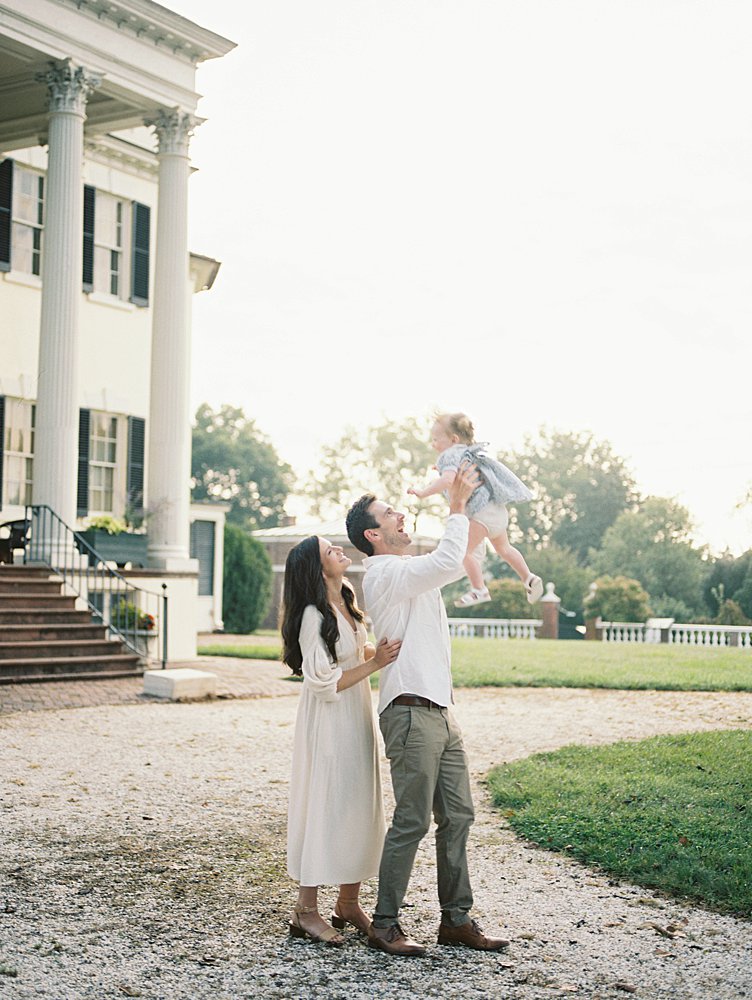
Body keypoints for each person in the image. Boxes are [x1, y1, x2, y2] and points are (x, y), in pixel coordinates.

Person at [345, 463, 510, 957]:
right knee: (413, 821)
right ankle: (385, 924)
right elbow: (445, 561)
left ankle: (456, 921)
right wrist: (456, 508)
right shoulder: (387, 573)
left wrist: (482, 511)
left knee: (459, 815)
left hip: (440, 711)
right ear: (373, 534)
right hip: (411, 712)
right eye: (389, 513)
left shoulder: (412, 574)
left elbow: (457, 558)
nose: (401, 514)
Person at [281, 535, 402, 946]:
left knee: (357, 801)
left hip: (355, 715)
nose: (338, 551)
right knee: (325, 802)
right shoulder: (313, 615)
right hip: (329, 719)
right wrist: (374, 662)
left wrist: (370, 648)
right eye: (329, 550)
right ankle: (305, 910)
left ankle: (348, 902)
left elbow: (349, 652)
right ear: (317, 569)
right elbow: (322, 681)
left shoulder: (347, 599)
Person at [408, 412, 543, 608]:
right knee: (504, 549)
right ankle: (529, 578)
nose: (433, 445)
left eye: (436, 439)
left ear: (453, 439)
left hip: (481, 515)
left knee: (463, 552)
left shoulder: (449, 454)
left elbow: (447, 480)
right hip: (496, 510)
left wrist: (422, 492)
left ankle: (479, 589)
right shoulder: (467, 452)